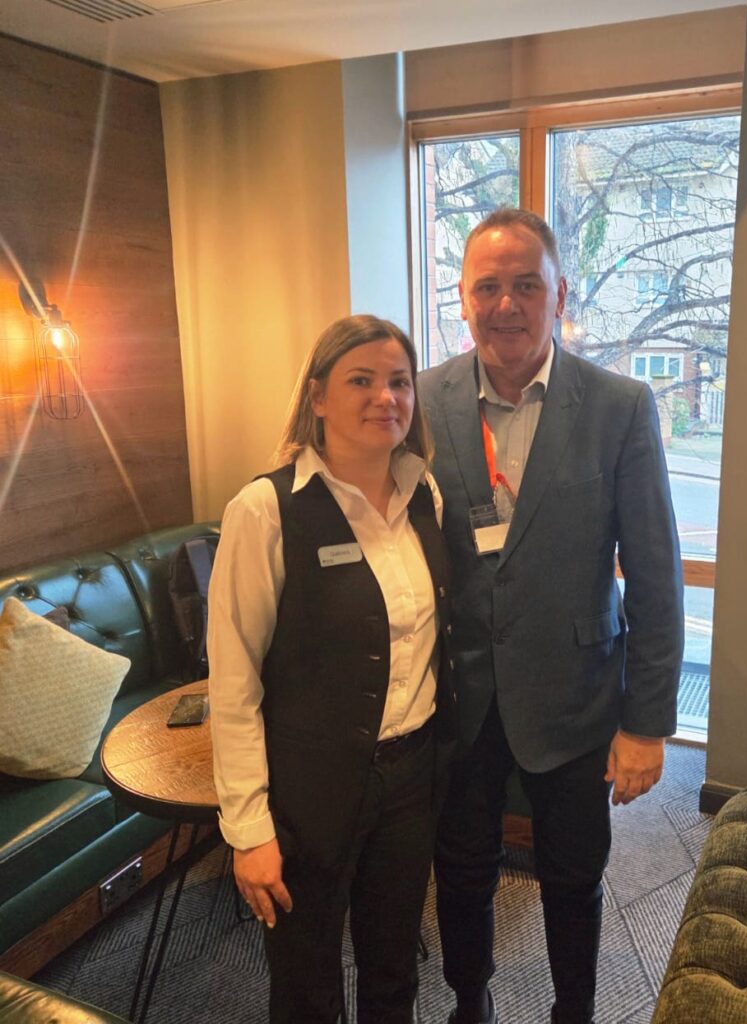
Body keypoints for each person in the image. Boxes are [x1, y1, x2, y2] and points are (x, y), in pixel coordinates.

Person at [419, 209, 684, 1024]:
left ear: (559, 293)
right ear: (462, 300)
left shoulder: (617, 406)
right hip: (457, 699)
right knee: (460, 871)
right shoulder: (420, 402)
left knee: (573, 875)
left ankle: (574, 1009)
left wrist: (645, 725)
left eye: (525, 285)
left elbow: (654, 573)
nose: (506, 304)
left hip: (575, 697)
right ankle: (471, 1000)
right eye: (487, 287)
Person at [207, 314, 455, 1024]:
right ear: (316, 397)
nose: (387, 397)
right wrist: (248, 829)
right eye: (361, 380)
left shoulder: (423, 497)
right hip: (310, 788)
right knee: (306, 980)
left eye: (400, 382)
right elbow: (233, 683)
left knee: (393, 964)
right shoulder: (265, 510)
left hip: (410, 776)